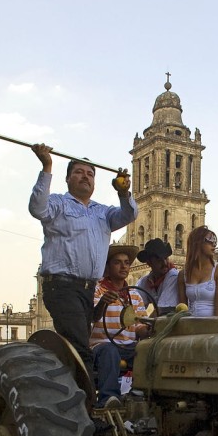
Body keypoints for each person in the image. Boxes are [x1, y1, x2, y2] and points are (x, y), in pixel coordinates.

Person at [29, 144, 135, 368]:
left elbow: (129, 214)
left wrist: (124, 192)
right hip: (62, 285)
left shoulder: (102, 211)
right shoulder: (58, 202)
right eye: (79, 172)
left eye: (90, 174)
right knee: (80, 347)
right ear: (67, 179)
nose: (85, 177)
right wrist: (47, 166)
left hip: (86, 288)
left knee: (77, 342)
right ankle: (86, 401)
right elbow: (37, 208)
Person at [90, 244, 148, 409]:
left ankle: (141, 394)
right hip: (101, 346)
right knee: (110, 351)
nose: (124, 266)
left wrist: (149, 329)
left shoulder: (134, 295)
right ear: (107, 267)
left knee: (148, 351)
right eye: (117, 262)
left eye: (127, 262)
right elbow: (91, 317)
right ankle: (108, 399)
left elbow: (139, 326)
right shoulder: (97, 291)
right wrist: (102, 303)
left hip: (127, 346)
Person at [178, 225, 218, 316]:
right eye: (209, 240)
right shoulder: (183, 275)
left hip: (210, 326)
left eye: (214, 241)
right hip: (190, 326)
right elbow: (183, 309)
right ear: (197, 243)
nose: (213, 244)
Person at [136, 238, 180, 314]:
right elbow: (136, 306)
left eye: (166, 258)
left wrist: (146, 324)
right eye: (159, 260)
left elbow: (163, 310)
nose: (165, 263)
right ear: (149, 263)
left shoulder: (173, 276)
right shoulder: (145, 281)